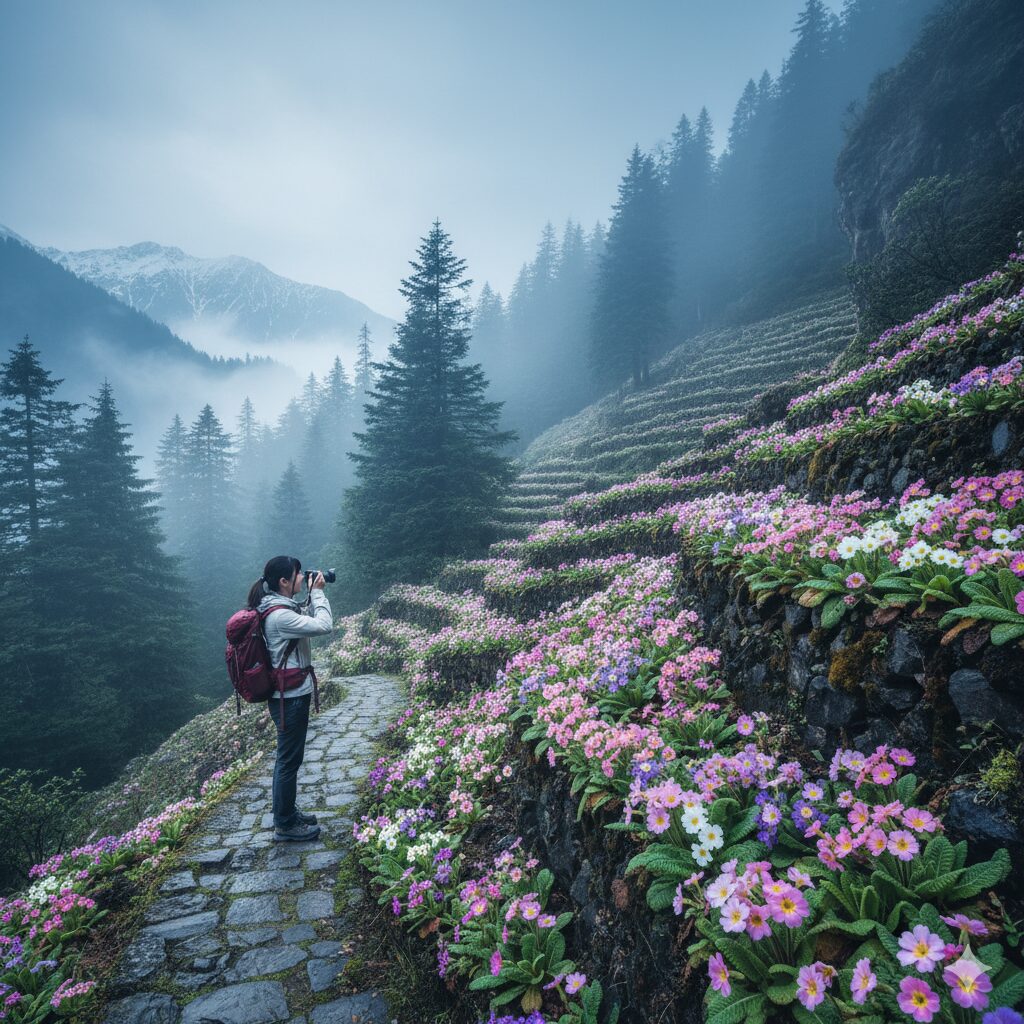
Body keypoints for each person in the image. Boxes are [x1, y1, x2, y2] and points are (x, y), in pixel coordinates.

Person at [246, 555, 333, 842]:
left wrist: (311, 594)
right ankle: (284, 823)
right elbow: (323, 625)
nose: (302, 577)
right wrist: (318, 592)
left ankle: (288, 813)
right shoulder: (280, 615)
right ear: (283, 581)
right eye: (298, 574)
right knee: (287, 760)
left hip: (291, 694)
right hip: (290, 697)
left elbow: (305, 619)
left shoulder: (280, 607)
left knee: (290, 759)